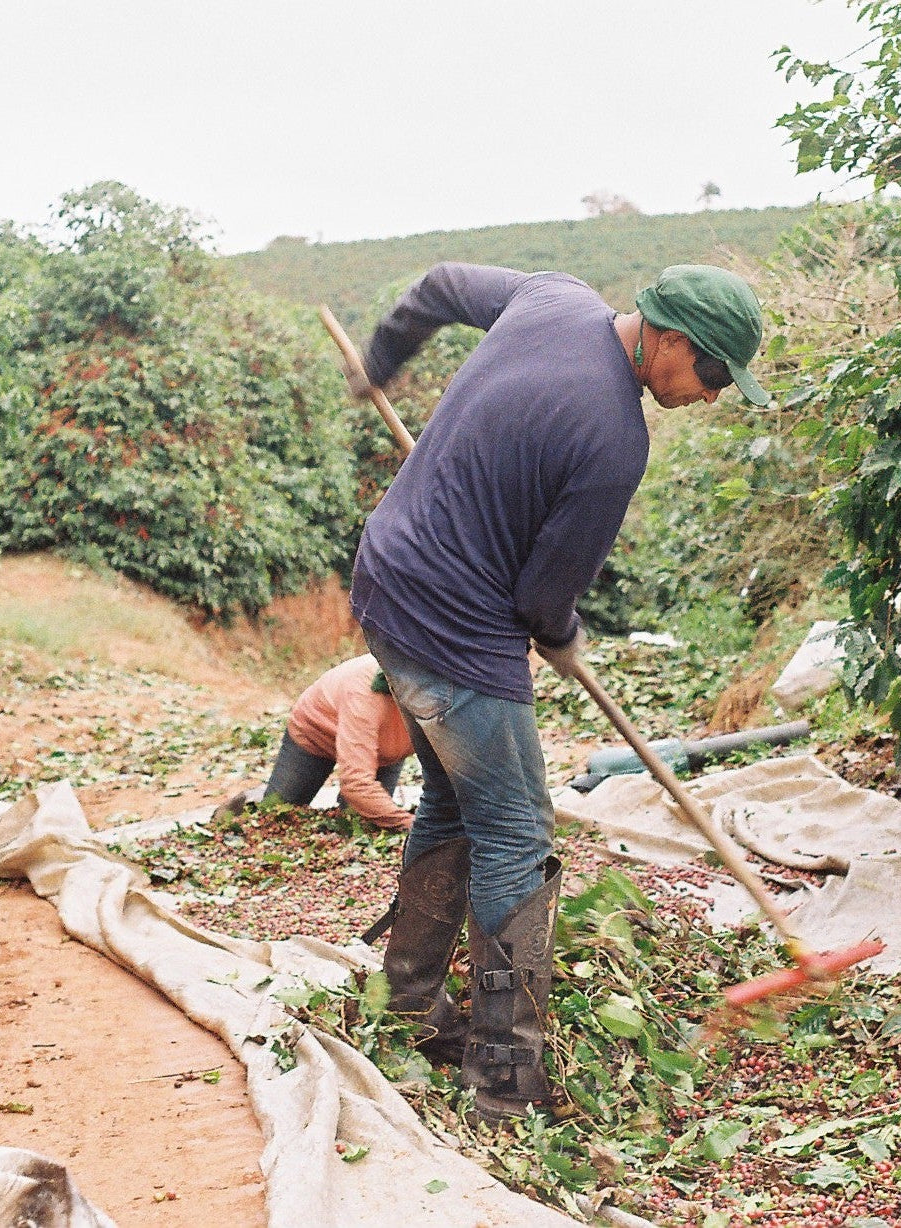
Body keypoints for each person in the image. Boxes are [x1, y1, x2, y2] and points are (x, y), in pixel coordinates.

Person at [347, 262, 768, 1125]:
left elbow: (435, 288)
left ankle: (407, 1002)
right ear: (672, 342)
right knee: (514, 830)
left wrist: (382, 361)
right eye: (716, 373)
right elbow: (541, 604)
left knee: (458, 806)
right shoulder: (614, 442)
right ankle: (504, 1081)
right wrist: (564, 634)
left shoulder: (552, 298)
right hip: (451, 637)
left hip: (385, 584)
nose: (714, 395)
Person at [217, 654, 415, 832]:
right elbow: (356, 783)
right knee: (275, 814)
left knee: (363, 824)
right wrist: (410, 824)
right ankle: (251, 800)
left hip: (385, 748)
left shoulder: (439, 695)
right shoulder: (364, 695)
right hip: (317, 732)